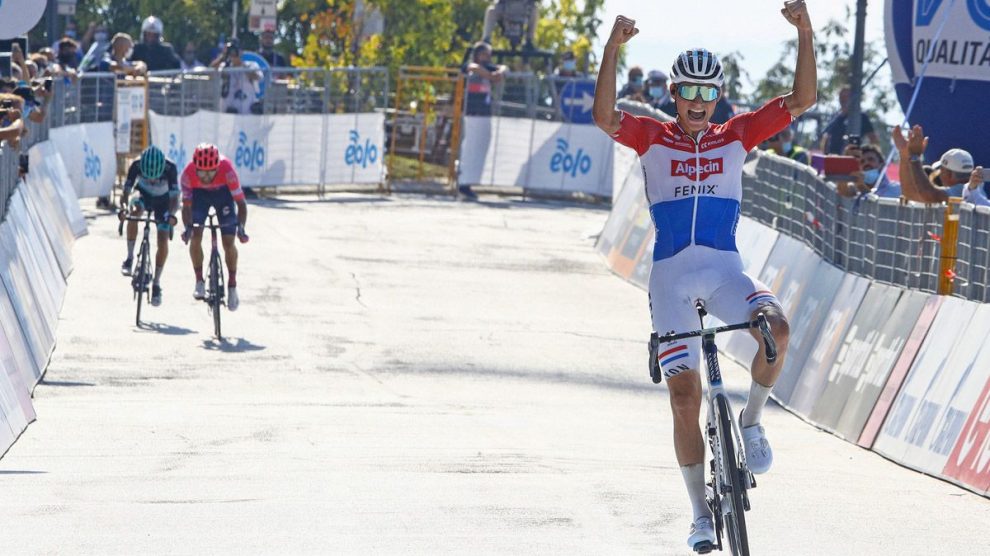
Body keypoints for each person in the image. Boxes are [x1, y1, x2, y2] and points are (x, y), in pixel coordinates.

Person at [592, 2, 816, 551]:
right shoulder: (650, 136)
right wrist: (611, 50)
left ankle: (754, 421)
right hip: (670, 278)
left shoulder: (736, 135)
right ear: (674, 94)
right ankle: (698, 514)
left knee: (777, 329)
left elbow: (802, 99)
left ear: (718, 96)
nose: (696, 102)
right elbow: (604, 117)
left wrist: (805, 31)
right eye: (687, 92)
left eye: (706, 93)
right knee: (684, 397)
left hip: (723, 271)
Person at [180, 143, 249, 311]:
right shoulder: (188, 175)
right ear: (195, 167)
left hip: (223, 195)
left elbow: (241, 204)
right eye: (201, 171)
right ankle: (199, 281)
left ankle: (232, 285)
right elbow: (186, 207)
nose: (205, 176)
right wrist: (188, 227)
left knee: (228, 242)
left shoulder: (227, 170)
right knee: (196, 236)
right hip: (199, 197)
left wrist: (241, 227)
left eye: (210, 171)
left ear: (217, 167)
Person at [118, 146, 180, 306]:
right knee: (134, 212)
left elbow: (175, 199)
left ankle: (157, 283)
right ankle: (130, 258)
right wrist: (124, 208)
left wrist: (171, 215)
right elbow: (125, 193)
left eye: (156, 177)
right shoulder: (136, 165)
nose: (152, 180)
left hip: (164, 200)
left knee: (163, 238)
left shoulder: (170, 168)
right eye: (148, 176)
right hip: (143, 194)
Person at [892, 124, 984, 204]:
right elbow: (910, 194)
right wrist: (905, 156)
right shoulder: (975, 190)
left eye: (941, 170)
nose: (939, 174)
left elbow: (927, 194)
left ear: (948, 174)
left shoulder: (962, 189)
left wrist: (914, 157)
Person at [819, 85, 879, 155]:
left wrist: (867, 155)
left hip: (853, 158)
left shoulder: (861, 117)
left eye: (846, 97)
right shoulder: (836, 117)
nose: (843, 100)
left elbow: (873, 138)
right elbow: (826, 137)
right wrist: (825, 155)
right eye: (841, 97)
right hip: (834, 157)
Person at [211, 39, 263, 115]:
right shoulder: (224, 67)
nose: (233, 53)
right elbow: (210, 70)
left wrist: (241, 64)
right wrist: (223, 56)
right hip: (228, 109)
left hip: (247, 110)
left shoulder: (251, 65)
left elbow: (257, 77)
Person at [835, 143, 901, 199]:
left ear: (882, 164)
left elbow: (873, 202)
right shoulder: (856, 187)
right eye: (862, 161)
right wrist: (845, 161)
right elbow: (843, 190)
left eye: (871, 159)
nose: (866, 163)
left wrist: (861, 185)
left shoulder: (896, 189)